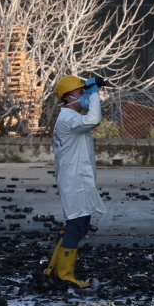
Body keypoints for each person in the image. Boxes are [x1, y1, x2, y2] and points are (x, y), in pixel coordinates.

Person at [46, 75, 105, 290]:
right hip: (74, 182)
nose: (86, 96)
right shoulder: (68, 119)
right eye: (82, 93)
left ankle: (53, 270)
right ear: (69, 97)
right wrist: (95, 93)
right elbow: (94, 119)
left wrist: (91, 93)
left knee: (77, 225)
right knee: (75, 226)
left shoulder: (71, 118)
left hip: (77, 181)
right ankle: (65, 276)